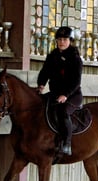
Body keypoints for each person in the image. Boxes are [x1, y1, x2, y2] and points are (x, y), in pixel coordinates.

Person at [37, 26, 83, 156]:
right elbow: (44, 72)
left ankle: (66, 144)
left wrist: (66, 95)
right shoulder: (52, 56)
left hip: (73, 95)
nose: (62, 42)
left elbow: (76, 81)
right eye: (59, 39)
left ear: (70, 41)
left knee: (63, 112)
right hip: (55, 93)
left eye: (65, 39)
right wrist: (41, 85)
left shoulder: (75, 59)